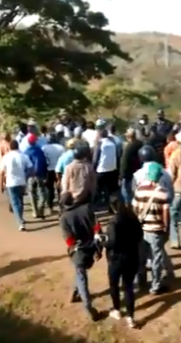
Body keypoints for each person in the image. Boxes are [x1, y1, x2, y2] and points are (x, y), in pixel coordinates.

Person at [60, 192, 102, 321]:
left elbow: (69, 241)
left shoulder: (64, 218)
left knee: (82, 277)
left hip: (79, 252)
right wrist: (98, 247)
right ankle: (74, 293)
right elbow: (97, 227)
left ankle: (88, 307)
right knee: (80, 273)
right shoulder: (86, 209)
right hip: (91, 248)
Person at [132, 163, 171, 295]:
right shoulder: (162, 193)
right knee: (156, 259)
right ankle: (155, 286)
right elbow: (165, 213)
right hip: (156, 230)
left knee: (140, 258)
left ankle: (141, 282)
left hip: (141, 228)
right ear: (159, 176)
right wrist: (166, 228)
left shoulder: (139, 189)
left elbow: (135, 208)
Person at [104, 201, 143, 328]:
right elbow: (140, 236)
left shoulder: (114, 222)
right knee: (128, 287)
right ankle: (130, 317)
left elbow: (112, 242)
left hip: (116, 259)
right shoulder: (133, 218)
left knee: (114, 285)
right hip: (132, 257)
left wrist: (103, 242)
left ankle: (116, 309)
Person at [0, 140, 33, 231]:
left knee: (15, 203)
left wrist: (1, 184)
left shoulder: (6, 157)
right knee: (20, 201)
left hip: (10, 183)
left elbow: (2, 172)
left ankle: (20, 222)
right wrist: (26, 176)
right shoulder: (23, 156)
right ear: (18, 146)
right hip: (21, 182)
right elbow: (31, 168)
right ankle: (21, 218)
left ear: (10, 147)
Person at [62, 140, 97, 207]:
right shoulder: (89, 167)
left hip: (72, 199)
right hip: (85, 198)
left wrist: (65, 194)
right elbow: (93, 183)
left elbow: (65, 183)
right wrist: (92, 194)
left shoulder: (69, 167)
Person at [92, 128, 119, 212]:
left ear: (100, 135)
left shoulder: (100, 144)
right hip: (112, 169)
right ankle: (112, 208)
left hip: (101, 170)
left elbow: (95, 159)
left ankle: (93, 208)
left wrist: (93, 168)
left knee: (97, 190)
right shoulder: (113, 143)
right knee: (111, 191)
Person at [23, 134, 48, 219]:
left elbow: (25, 165)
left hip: (30, 175)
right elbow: (44, 163)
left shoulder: (26, 152)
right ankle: (40, 209)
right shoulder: (40, 151)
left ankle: (35, 211)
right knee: (42, 193)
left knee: (31, 193)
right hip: (40, 175)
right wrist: (45, 174)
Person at [119, 128, 143, 204]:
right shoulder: (140, 143)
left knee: (125, 191)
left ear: (128, 137)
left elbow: (124, 162)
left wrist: (121, 176)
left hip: (129, 173)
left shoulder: (128, 147)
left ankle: (128, 206)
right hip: (138, 171)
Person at [42, 133, 65, 214]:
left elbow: (44, 160)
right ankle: (61, 206)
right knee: (60, 189)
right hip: (59, 170)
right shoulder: (61, 147)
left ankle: (50, 207)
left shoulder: (44, 148)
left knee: (49, 189)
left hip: (49, 170)